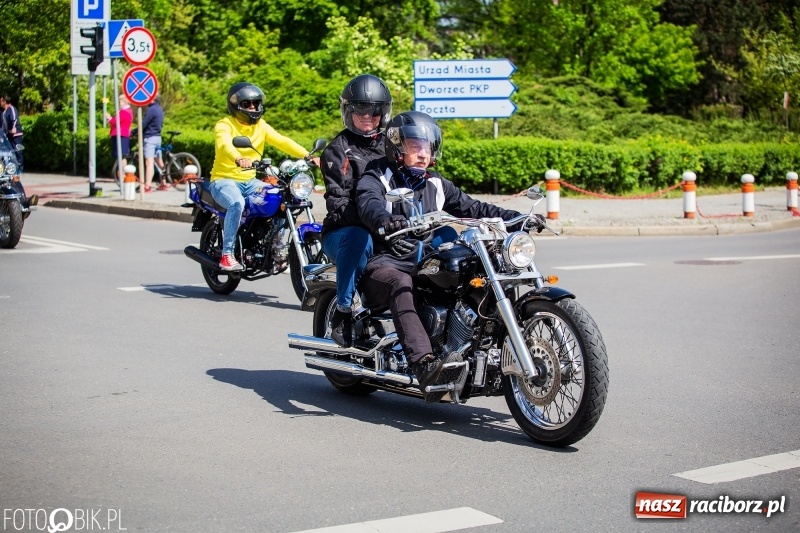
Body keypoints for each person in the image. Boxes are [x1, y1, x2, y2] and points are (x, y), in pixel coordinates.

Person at [356, 111, 538, 402]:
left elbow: (473, 208)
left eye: (427, 147)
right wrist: (386, 221)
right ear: (396, 146)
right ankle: (424, 365)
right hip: (386, 260)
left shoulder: (436, 183)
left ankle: (463, 347)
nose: (423, 154)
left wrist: (516, 219)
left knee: (467, 270)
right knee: (401, 284)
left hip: (422, 258)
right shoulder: (376, 175)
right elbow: (369, 202)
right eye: (415, 146)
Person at [209, 82, 316, 271]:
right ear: (236, 105)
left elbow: (281, 141)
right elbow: (225, 145)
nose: (252, 107)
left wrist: (307, 155)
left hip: (250, 181)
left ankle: (276, 246)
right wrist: (238, 158)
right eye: (247, 104)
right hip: (224, 180)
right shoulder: (224, 125)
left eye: (255, 103)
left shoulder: (261, 125)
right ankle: (227, 255)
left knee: (281, 197)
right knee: (236, 203)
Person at [321, 74, 393, 347]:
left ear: (383, 113)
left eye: (374, 110)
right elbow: (338, 204)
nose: (367, 116)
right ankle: (343, 310)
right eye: (360, 109)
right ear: (348, 111)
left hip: (389, 228)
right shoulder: (337, 151)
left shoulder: (393, 144)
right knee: (358, 238)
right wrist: (379, 221)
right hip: (345, 233)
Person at [105, 95, 133, 183]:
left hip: (121, 135)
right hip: (121, 135)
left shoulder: (124, 112)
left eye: (120, 101)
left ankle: (122, 174)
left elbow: (115, 121)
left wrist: (109, 117)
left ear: (124, 101)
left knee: (122, 156)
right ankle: (122, 174)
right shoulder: (126, 111)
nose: (119, 103)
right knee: (122, 156)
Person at [141, 95, 164, 192]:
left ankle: (147, 186)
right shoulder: (159, 109)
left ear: (152, 99)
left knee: (149, 162)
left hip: (150, 137)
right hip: (158, 137)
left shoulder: (151, 110)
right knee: (159, 161)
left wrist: (133, 132)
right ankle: (163, 183)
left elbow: (144, 124)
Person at [0, 96, 24, 172]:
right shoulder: (3, 112)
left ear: (4, 102)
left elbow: (14, 118)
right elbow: (2, 125)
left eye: (1, 101)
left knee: (17, 151)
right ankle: (10, 169)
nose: (0, 102)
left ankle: (19, 169)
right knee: (8, 152)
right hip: (8, 135)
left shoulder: (11, 109)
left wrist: (14, 128)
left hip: (15, 135)